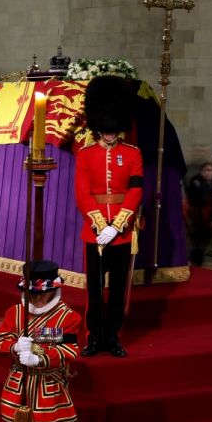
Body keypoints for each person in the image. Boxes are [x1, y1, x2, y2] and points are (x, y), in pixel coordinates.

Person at [0, 260, 80, 422]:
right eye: (33, 294)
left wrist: (39, 357)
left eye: (43, 295)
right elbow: (0, 340)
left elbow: (70, 350)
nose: (38, 300)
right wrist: (13, 346)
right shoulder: (16, 313)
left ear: (53, 290)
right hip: (20, 385)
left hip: (48, 385)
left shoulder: (68, 317)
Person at [76, 75, 143, 358]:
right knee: (94, 292)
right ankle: (94, 337)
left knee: (117, 291)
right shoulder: (85, 154)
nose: (110, 134)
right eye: (105, 129)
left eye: (113, 129)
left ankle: (113, 336)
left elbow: (136, 191)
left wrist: (116, 227)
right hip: (94, 232)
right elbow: (82, 193)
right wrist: (100, 224)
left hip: (122, 233)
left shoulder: (132, 154)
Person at [183, 161, 212, 266]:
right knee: (196, 242)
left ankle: (197, 260)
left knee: (203, 243)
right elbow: (195, 202)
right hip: (197, 218)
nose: (209, 173)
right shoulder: (196, 182)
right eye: (206, 170)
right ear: (202, 172)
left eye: (211, 170)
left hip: (209, 219)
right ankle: (194, 261)